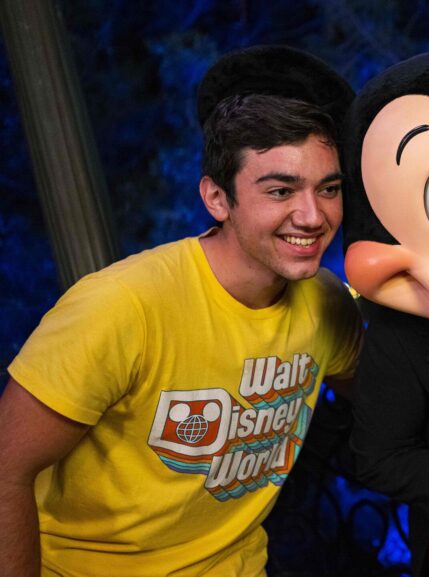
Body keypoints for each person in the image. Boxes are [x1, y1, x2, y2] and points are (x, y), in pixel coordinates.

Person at [0, 46, 362, 577]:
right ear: (217, 198)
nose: (312, 215)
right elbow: (7, 468)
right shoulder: (121, 305)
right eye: (280, 190)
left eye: (328, 189)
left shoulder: (328, 302)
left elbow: (388, 407)